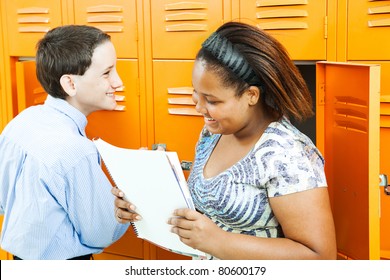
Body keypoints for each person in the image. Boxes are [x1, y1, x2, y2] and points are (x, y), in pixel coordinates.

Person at [112, 21, 337, 260]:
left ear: (251, 95)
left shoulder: (287, 153)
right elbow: (205, 218)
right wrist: (143, 201)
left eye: (212, 100)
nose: (199, 107)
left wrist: (220, 242)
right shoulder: (212, 134)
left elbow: (320, 256)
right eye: (196, 93)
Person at [0, 25, 130, 260]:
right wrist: (131, 190)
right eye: (107, 73)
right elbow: (100, 234)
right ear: (70, 84)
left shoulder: (21, 123)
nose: (118, 82)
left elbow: (3, 200)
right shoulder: (77, 151)